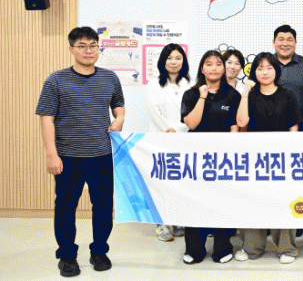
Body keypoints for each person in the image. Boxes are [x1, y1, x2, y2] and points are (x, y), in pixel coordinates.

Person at [36, 27, 125, 277]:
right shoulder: (56, 80)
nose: (88, 51)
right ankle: (67, 256)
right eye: (82, 46)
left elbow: (118, 104)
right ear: (71, 49)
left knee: (103, 206)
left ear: (98, 48)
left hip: (102, 155)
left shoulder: (109, 77)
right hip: (68, 157)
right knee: (65, 207)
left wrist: (119, 118)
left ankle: (99, 251)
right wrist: (51, 154)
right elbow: (46, 117)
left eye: (93, 45)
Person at [236, 52, 300, 264]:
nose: (265, 72)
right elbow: (242, 122)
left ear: (276, 71)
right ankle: (252, 247)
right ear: (254, 72)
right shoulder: (250, 95)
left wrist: (290, 155)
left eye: (269, 68)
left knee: (283, 201)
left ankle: (287, 248)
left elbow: (293, 126)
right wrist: (245, 93)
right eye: (260, 68)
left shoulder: (288, 95)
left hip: (282, 158)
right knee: (254, 201)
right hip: (255, 158)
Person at [180, 50, 241, 264]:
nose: (214, 68)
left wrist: (230, 155)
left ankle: (222, 248)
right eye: (209, 64)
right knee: (194, 202)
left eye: (218, 64)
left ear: (224, 68)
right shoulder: (191, 94)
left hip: (222, 158)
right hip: (196, 158)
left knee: (221, 202)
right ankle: (194, 249)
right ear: (202, 68)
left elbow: (235, 127)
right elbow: (191, 123)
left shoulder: (233, 95)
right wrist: (203, 96)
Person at [145, 43, 190, 242]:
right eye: (169, 58)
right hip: (160, 138)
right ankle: (161, 224)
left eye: (178, 58)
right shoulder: (154, 84)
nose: (173, 62)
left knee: (180, 181)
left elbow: (193, 112)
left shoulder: (191, 83)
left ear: (183, 61)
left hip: (183, 138)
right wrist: (168, 130)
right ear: (163, 61)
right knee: (161, 182)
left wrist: (178, 129)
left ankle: (178, 221)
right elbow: (154, 111)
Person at [273, 25, 303, 131]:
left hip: (302, 127)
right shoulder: (265, 65)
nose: (285, 44)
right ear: (273, 42)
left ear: (295, 42)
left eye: (289, 40)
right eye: (281, 39)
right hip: (270, 127)